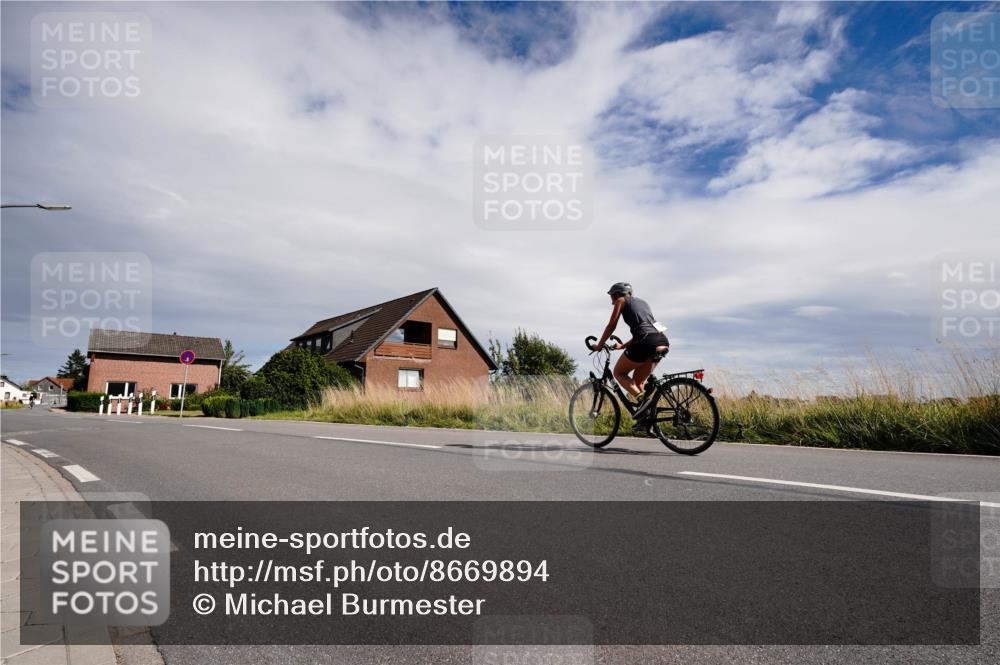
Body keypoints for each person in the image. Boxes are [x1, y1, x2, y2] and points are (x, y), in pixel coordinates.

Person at [594, 282, 669, 422]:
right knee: (638, 383)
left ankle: (643, 401)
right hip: (661, 340)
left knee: (619, 373)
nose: (612, 301)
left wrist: (599, 345)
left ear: (617, 294)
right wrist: (623, 346)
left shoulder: (621, 301)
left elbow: (611, 325)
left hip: (645, 341)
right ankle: (647, 421)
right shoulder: (643, 303)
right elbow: (647, 329)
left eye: (612, 296)